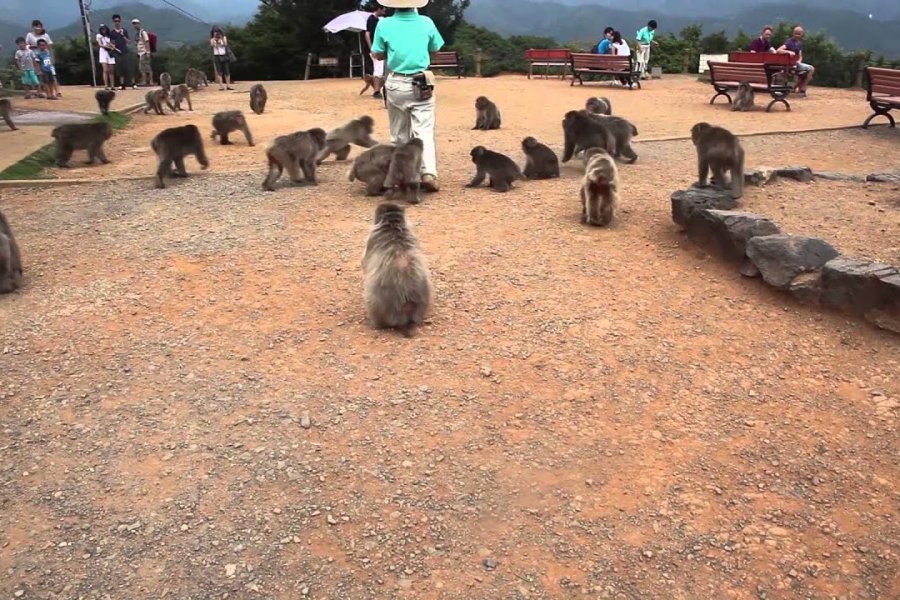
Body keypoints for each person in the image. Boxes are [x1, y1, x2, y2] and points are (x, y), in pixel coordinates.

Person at [371, 0, 444, 193]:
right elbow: (435, 49)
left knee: (399, 133)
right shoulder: (426, 22)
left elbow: (377, 54)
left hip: (396, 83)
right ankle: (428, 172)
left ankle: (403, 175)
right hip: (421, 82)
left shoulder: (384, 24)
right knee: (424, 131)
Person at [777, 26, 815, 97]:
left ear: (802, 34)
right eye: (796, 33)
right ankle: (800, 89)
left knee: (811, 70)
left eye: (799, 34)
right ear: (793, 33)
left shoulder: (799, 43)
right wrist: (788, 52)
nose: (797, 35)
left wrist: (799, 61)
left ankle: (802, 88)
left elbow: (800, 55)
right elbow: (778, 50)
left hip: (796, 64)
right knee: (805, 75)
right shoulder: (789, 42)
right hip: (789, 65)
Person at [365, 3, 387, 99]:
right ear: (379, 9)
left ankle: (379, 89)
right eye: (383, 10)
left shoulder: (382, 20)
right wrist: (372, 48)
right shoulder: (371, 19)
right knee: (378, 69)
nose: (384, 11)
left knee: (383, 69)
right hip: (376, 49)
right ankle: (376, 91)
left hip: (383, 48)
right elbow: (367, 34)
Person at [109, 14, 135, 90]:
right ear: (113, 22)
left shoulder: (124, 31)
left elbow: (128, 41)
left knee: (129, 68)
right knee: (119, 69)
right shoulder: (112, 32)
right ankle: (122, 84)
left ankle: (133, 84)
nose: (117, 22)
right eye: (115, 21)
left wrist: (123, 35)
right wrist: (112, 47)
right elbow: (112, 43)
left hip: (125, 51)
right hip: (117, 53)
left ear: (120, 21)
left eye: (118, 21)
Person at [96, 24, 118, 90]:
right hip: (103, 53)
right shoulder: (99, 36)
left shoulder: (110, 36)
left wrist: (112, 46)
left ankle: (112, 85)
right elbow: (100, 44)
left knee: (111, 70)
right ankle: (106, 85)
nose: (103, 30)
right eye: (102, 29)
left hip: (110, 53)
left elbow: (113, 44)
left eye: (104, 28)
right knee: (105, 70)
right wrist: (107, 46)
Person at [132, 18, 152, 86]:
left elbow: (147, 42)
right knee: (144, 67)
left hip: (144, 52)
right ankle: (146, 81)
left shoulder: (143, 32)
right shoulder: (137, 33)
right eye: (134, 24)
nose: (135, 25)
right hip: (140, 52)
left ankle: (147, 81)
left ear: (139, 24)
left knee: (144, 67)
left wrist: (148, 52)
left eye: (136, 24)